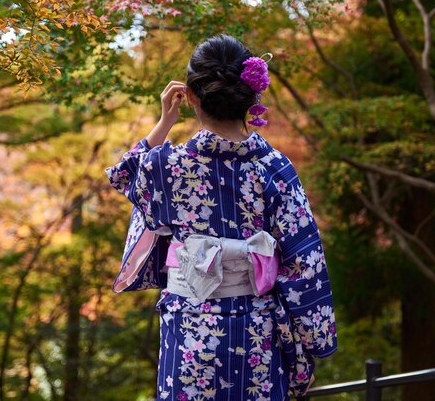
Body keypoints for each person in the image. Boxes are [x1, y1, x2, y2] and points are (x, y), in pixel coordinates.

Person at [105, 34, 337, 400]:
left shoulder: (165, 166)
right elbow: (303, 263)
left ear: (192, 95)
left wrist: (164, 123)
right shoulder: (274, 168)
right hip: (257, 332)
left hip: (189, 331)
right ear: (252, 95)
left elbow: (123, 176)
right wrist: (312, 340)